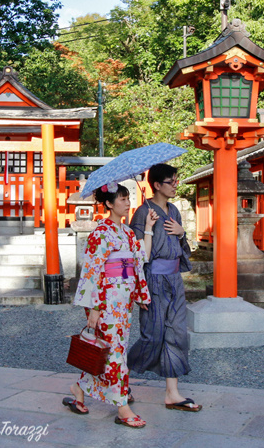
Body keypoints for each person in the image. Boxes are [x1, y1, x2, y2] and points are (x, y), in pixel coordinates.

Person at [64, 183, 154, 428]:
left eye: (127, 198)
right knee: (115, 353)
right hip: (104, 301)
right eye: (122, 199)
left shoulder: (126, 233)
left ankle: (79, 387)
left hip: (122, 302)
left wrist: (148, 228)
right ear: (109, 204)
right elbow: (92, 270)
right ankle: (122, 406)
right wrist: (93, 308)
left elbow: (141, 258)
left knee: (112, 350)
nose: (127, 203)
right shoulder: (100, 232)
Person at [127, 163, 202, 412]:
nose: (175, 186)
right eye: (171, 181)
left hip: (174, 282)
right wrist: (139, 287)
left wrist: (181, 234)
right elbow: (137, 253)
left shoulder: (174, 211)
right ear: (157, 185)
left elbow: (182, 250)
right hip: (153, 280)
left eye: (176, 181)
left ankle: (172, 393)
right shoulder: (142, 212)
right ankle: (118, 377)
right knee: (153, 334)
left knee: (177, 333)